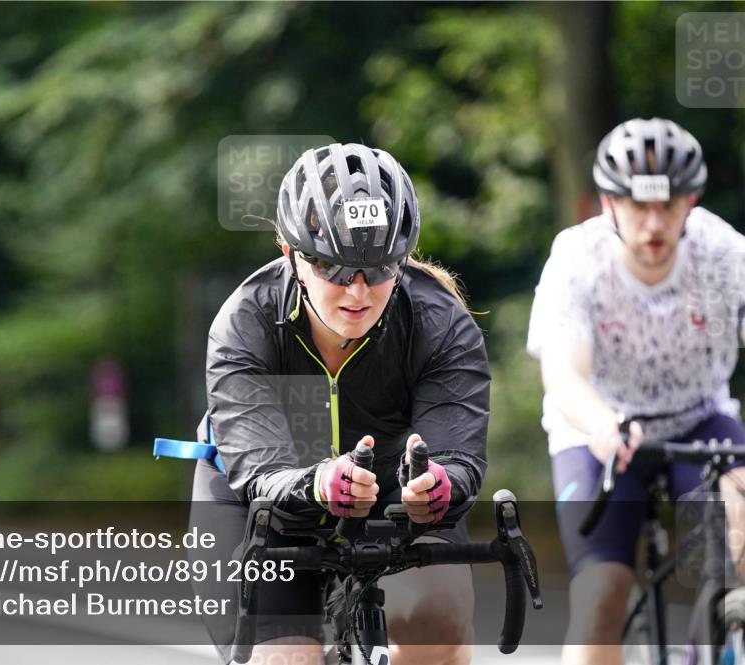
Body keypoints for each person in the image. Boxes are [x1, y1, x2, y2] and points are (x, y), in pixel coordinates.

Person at [188, 142, 490, 665]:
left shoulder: (440, 324)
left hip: (394, 501)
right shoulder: (245, 324)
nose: (357, 290)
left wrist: (438, 485)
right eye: (333, 267)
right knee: (287, 660)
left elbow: (458, 458)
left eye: (379, 269)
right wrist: (320, 482)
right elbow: (262, 471)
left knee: (439, 623)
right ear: (292, 256)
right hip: (264, 503)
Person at [526, 117, 745, 665]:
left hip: (700, 420)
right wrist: (604, 424)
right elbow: (564, 375)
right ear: (608, 204)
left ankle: (711, 642)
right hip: (600, 426)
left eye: (668, 206)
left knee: (740, 544)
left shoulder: (724, 256)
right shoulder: (578, 259)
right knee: (600, 595)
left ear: (690, 201)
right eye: (638, 206)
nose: (653, 223)